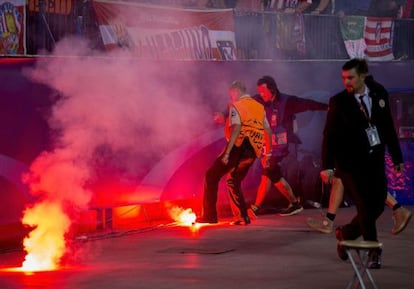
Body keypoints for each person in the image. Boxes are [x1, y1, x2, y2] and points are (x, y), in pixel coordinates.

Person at [321, 58, 404, 269]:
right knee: (365, 206)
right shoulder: (338, 101)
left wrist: (397, 157)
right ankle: (374, 251)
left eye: (351, 78)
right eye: (343, 78)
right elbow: (329, 135)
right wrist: (327, 166)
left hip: (374, 159)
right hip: (349, 163)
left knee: (376, 207)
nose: (346, 82)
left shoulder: (378, 93)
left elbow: (387, 127)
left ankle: (346, 233)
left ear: (363, 76)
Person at [248, 75, 328, 217]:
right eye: (259, 92)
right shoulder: (258, 100)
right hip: (268, 145)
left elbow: (307, 104)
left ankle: (293, 203)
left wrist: (326, 107)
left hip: (282, 146)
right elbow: (242, 105)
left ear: (272, 89)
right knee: (267, 175)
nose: (261, 95)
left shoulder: (288, 102)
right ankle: (257, 207)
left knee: (270, 171)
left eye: (263, 91)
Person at [196, 80, 272, 225]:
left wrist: (227, 152)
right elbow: (267, 130)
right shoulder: (259, 107)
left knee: (211, 175)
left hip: (239, 146)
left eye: (231, 95)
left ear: (236, 92)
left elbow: (237, 128)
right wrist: (268, 153)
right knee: (233, 180)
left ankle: (209, 216)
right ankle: (242, 217)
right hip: (253, 151)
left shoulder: (236, 106)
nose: (231, 98)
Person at [306, 176, 412, 234]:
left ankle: (398, 209)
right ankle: (328, 222)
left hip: (359, 146)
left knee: (364, 182)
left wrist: (327, 165)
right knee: (339, 179)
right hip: (361, 146)